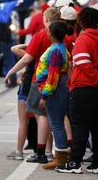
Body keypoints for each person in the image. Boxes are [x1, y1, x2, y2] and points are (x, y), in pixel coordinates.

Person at [57, 8, 98, 174]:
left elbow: (83, 64)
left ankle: (74, 163)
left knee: (80, 126)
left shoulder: (83, 40)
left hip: (85, 88)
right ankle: (97, 163)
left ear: (81, 21)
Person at [6, 7, 64, 163]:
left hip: (40, 81)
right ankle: (52, 151)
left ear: (45, 20)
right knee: (54, 118)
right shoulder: (63, 37)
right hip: (61, 81)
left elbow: (26, 59)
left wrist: (10, 72)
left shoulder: (40, 36)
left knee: (41, 116)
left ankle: (40, 152)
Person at [37, 21, 73, 170]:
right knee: (56, 123)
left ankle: (61, 160)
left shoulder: (56, 51)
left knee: (56, 124)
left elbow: (53, 77)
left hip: (55, 90)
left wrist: (45, 96)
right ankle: (61, 157)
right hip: (58, 89)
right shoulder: (60, 48)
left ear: (50, 33)